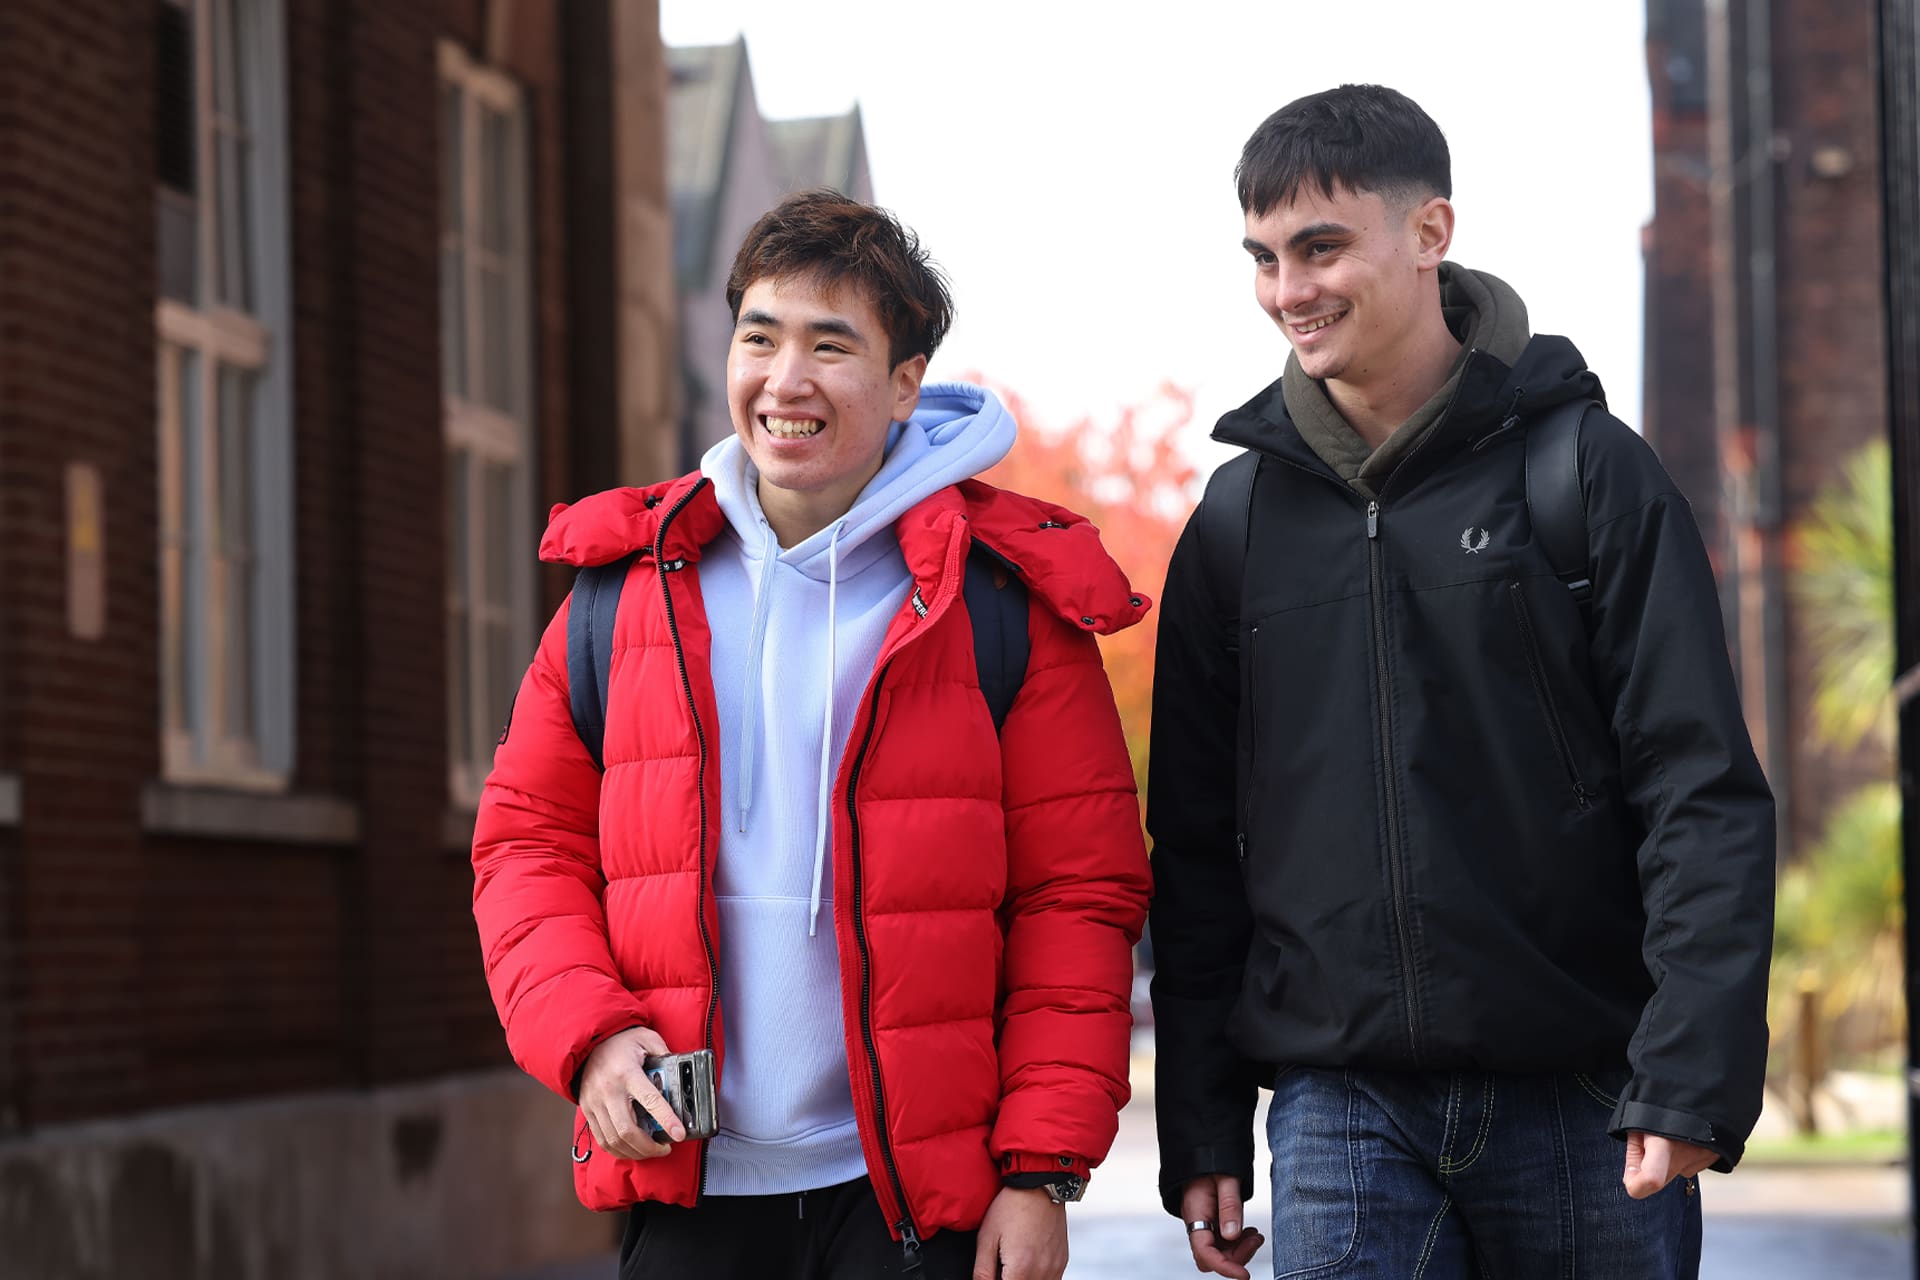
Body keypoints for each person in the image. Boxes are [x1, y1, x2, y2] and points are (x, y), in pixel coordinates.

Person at [1147, 84, 1775, 1279]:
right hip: (1341, 1108)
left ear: (1430, 231)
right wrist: (1206, 1120)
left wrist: (1687, 1068)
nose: (1290, 290)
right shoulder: (1235, 527)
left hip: (1586, 1098)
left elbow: (1699, 789)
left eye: (1321, 246)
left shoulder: (1584, 474)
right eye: (1265, 257)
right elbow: (1191, 853)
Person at [472, 189, 1152, 1280]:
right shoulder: (620, 596)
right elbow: (523, 846)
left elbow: (1077, 896)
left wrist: (1041, 1169)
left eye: (830, 346)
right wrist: (591, 1036)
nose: (786, 381)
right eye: (761, 336)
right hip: (692, 1189)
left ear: (903, 385)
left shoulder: (1002, 607)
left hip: (915, 1206)